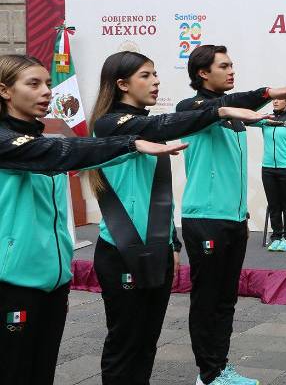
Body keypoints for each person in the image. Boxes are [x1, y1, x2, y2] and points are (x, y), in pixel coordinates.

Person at [87, 51, 271, 385]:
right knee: (125, 343)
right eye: (146, 75)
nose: (156, 81)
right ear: (122, 84)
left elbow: (158, 196)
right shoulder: (109, 124)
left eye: (155, 74)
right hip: (121, 249)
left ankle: (215, 371)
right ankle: (210, 373)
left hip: (155, 247)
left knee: (146, 344)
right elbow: (167, 121)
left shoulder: (149, 128)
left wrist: (171, 240)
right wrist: (222, 110)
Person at [0, 54, 185, 385]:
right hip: (12, 283)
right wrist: (130, 143)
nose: (46, 91)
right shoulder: (8, 143)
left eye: (47, 83)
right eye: (33, 84)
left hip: (53, 281)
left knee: (41, 371)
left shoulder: (44, 140)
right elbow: (69, 153)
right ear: (4, 91)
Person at [176, 44, 286, 385]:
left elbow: (231, 110)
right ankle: (207, 373)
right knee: (207, 299)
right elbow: (214, 108)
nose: (231, 70)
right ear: (203, 73)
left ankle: (220, 368)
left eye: (233, 64)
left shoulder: (232, 113)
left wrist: (243, 214)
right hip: (205, 217)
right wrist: (264, 93)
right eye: (224, 65)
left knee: (225, 299)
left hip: (233, 219)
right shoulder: (191, 108)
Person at [253, 96, 286, 252]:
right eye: (273, 100)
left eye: (280, 99)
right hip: (268, 168)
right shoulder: (265, 119)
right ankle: (276, 237)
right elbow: (246, 120)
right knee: (273, 204)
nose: (275, 102)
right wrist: (261, 115)